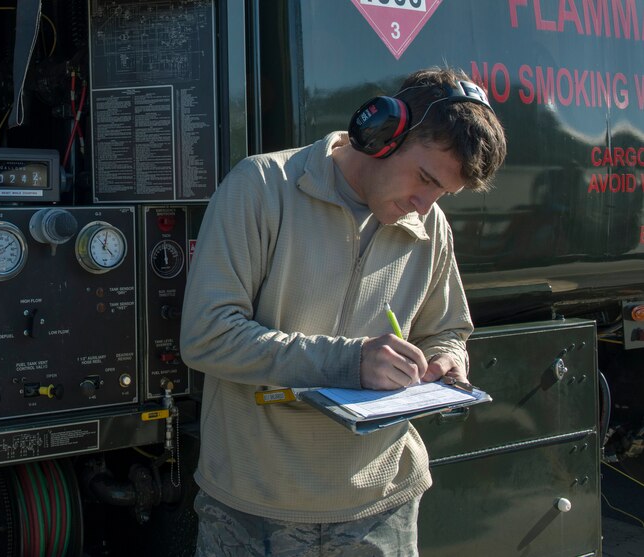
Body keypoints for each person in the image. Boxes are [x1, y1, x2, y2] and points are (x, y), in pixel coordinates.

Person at [180, 67, 507, 556]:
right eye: (424, 178)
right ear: (382, 133)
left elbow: (449, 330)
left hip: (383, 507)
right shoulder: (262, 187)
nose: (425, 204)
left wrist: (447, 359)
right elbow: (207, 335)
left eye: (443, 193)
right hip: (255, 507)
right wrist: (352, 362)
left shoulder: (431, 225)